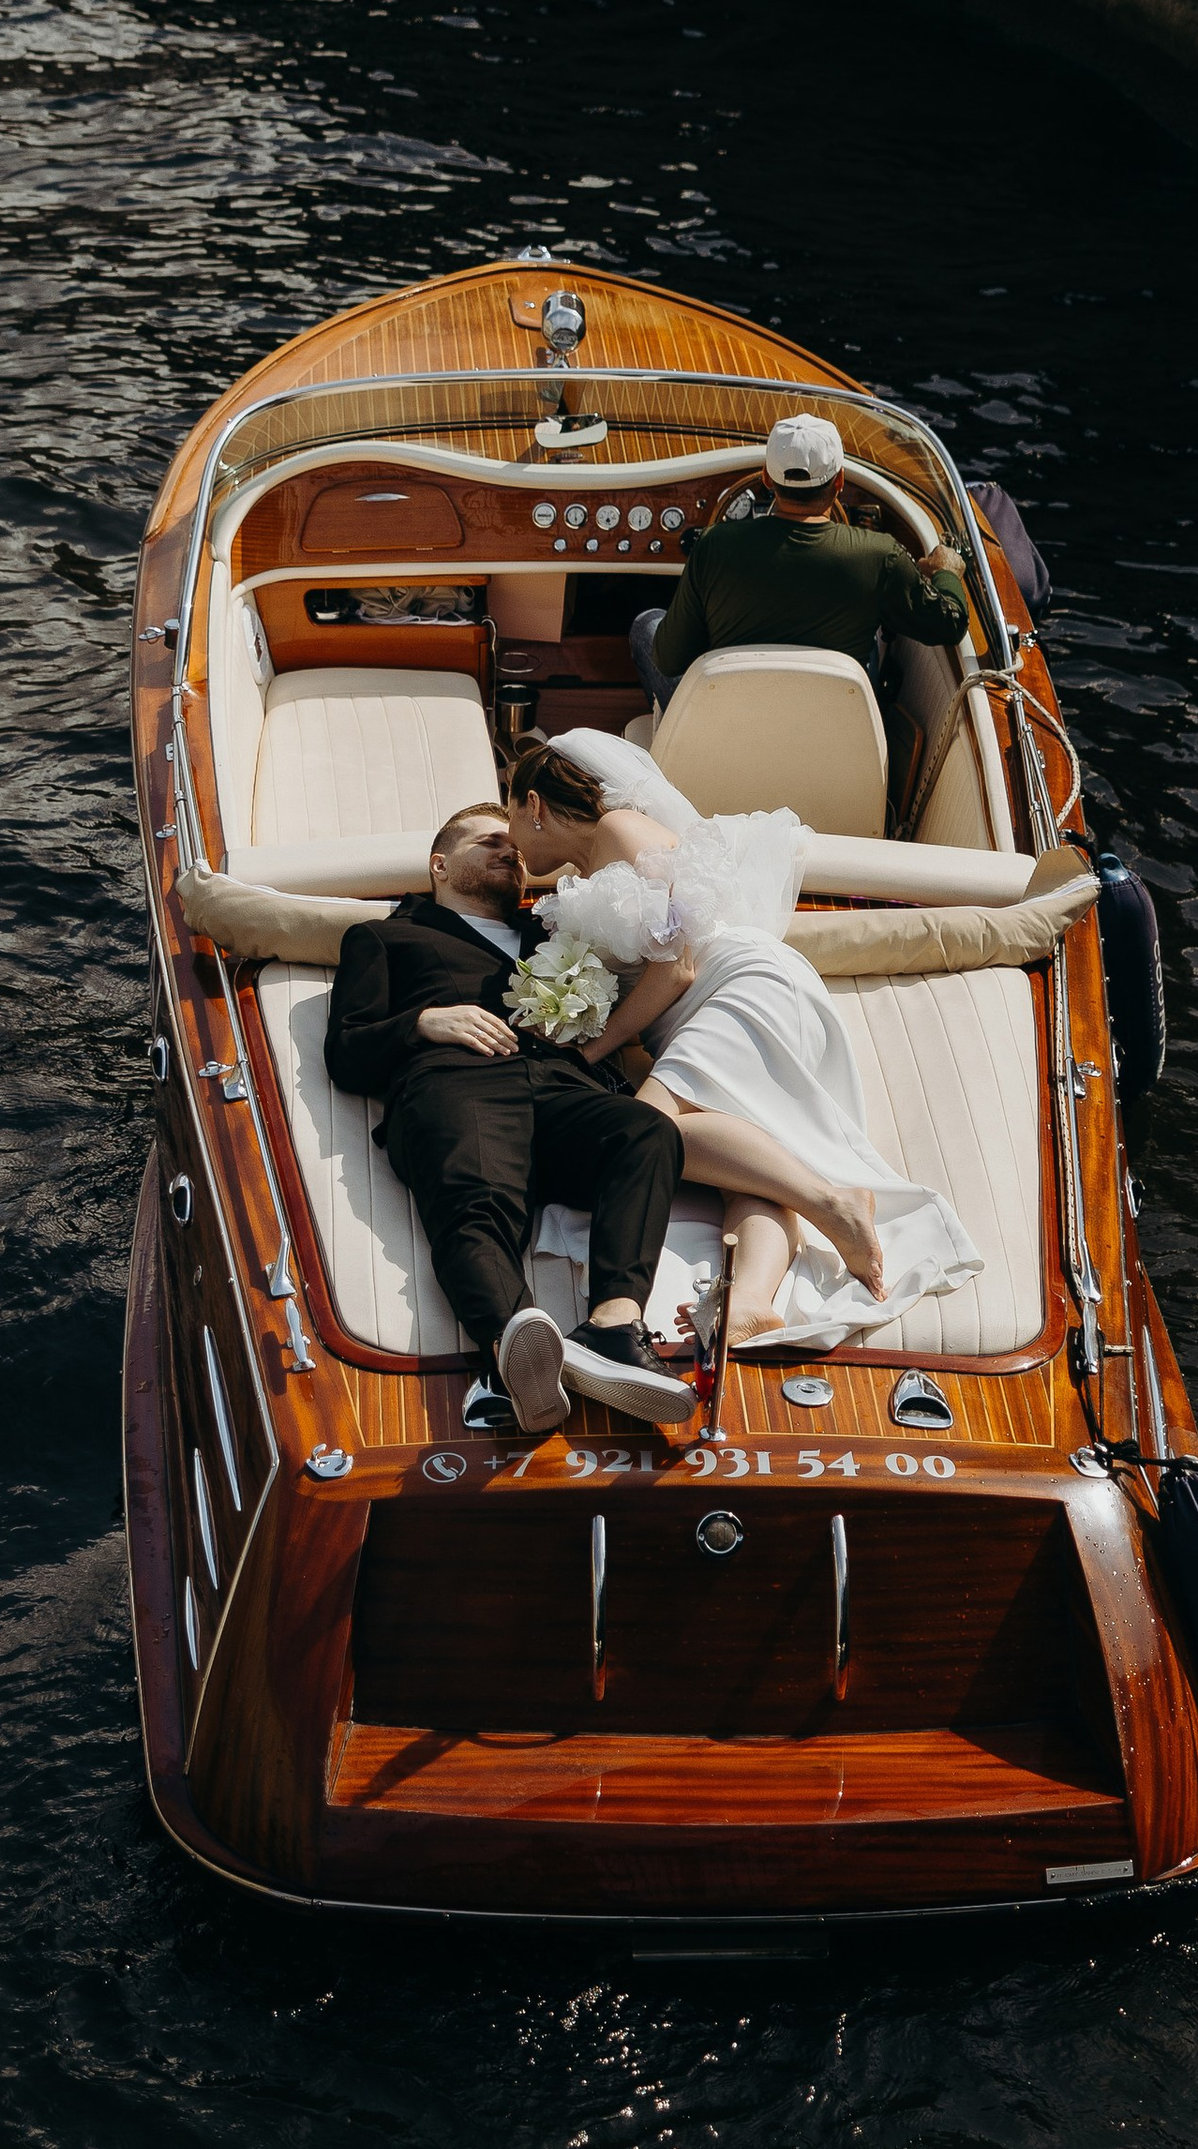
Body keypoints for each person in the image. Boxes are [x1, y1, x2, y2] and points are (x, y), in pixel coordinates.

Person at [505, 732, 983, 1355]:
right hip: (695, 1018)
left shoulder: (619, 828)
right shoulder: (580, 875)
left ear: (534, 803)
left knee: (643, 1139)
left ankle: (832, 1201)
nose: (511, 840)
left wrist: (594, 1051)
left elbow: (677, 966)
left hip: (739, 986)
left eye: (509, 814)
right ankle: (752, 1302)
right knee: (746, 1174)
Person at [323, 803, 693, 1434]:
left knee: (646, 1133)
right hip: (455, 1083)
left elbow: (666, 947)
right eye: (489, 842)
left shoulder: (556, 936)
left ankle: (613, 1326)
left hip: (557, 1087)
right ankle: (509, 1350)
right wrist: (421, 1022)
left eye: (516, 849)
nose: (510, 853)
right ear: (439, 865)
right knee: (477, 1201)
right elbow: (346, 1050)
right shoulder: (386, 936)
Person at [628, 410, 970, 717]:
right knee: (867, 644)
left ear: (765, 477)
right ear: (839, 481)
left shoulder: (713, 545)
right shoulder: (880, 555)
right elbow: (949, 624)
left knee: (648, 624)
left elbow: (670, 659)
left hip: (730, 728)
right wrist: (947, 572)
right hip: (832, 732)